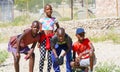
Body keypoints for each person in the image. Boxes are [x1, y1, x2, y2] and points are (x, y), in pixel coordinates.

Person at [38, 4, 59, 72]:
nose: (49, 10)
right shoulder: (41, 20)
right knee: (42, 57)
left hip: (51, 40)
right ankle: (40, 70)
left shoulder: (54, 19)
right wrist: (38, 42)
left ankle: (48, 70)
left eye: (50, 9)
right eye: (47, 9)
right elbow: (40, 31)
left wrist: (55, 33)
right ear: (44, 11)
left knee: (50, 58)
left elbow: (58, 27)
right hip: (43, 40)